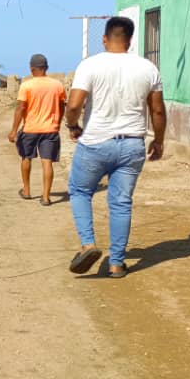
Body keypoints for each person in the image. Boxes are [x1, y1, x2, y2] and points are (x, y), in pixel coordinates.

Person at [64, 16, 165, 278]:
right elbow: (157, 110)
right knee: (121, 202)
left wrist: (72, 126)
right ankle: (117, 263)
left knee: (80, 191)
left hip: (96, 142)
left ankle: (88, 244)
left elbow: (74, 105)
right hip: (132, 143)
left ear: (104, 38)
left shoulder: (90, 65)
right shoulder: (148, 68)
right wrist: (159, 140)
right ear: (130, 40)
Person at [8, 53, 66, 205]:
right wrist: (57, 122)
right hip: (50, 130)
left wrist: (14, 130)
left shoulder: (27, 85)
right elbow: (61, 106)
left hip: (30, 129)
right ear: (46, 68)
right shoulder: (57, 85)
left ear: (32, 68)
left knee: (26, 158)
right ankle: (46, 197)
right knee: (47, 162)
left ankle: (26, 191)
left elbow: (20, 108)